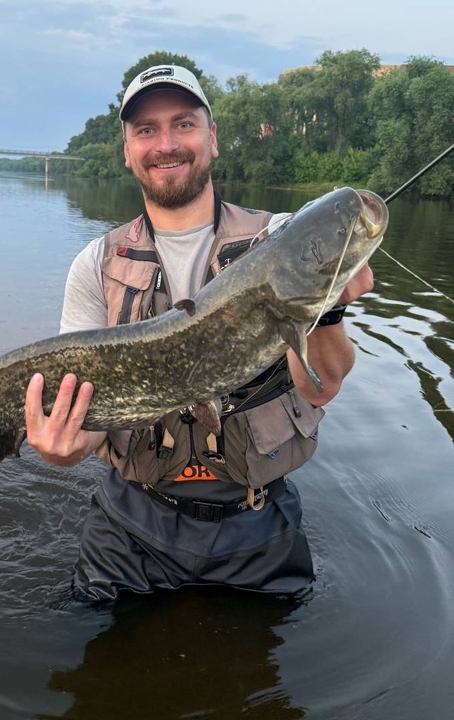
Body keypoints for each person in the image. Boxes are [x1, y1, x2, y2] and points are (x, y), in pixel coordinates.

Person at [25, 64, 373, 602]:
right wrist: (61, 450)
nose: (166, 143)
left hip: (256, 522)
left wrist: (326, 310)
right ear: (127, 150)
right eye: (146, 130)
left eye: (183, 124)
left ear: (212, 139)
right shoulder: (95, 265)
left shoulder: (279, 238)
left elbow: (321, 387)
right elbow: (89, 429)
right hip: (132, 523)